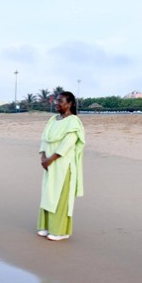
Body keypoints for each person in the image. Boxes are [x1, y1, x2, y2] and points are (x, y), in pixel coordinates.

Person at [37, 91, 85, 241]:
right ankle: (46, 226)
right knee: (48, 194)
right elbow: (45, 138)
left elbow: (67, 144)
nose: (56, 104)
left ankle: (60, 231)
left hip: (63, 166)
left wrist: (51, 160)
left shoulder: (73, 122)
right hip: (49, 164)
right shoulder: (53, 119)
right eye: (56, 101)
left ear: (69, 104)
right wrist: (43, 157)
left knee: (59, 196)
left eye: (60, 101)